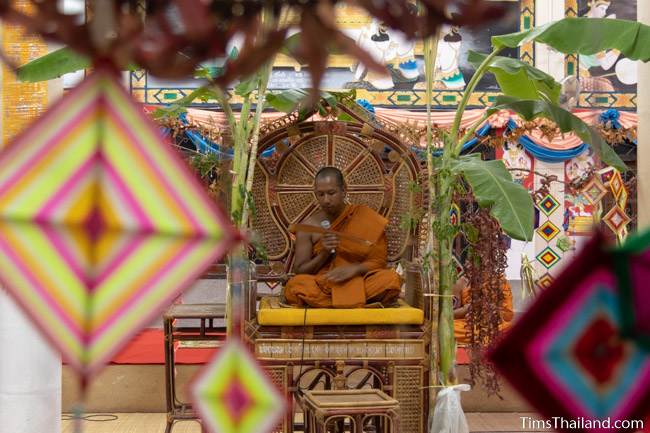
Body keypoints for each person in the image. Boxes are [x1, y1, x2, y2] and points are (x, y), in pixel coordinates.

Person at [283, 167, 401, 308]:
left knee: (390, 279)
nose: (326, 200)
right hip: (324, 284)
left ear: (344, 190)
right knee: (295, 285)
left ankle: (336, 302)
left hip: (359, 280)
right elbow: (300, 270)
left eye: (331, 193)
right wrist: (324, 254)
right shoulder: (308, 226)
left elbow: (379, 262)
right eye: (320, 194)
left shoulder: (364, 216)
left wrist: (354, 269)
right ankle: (358, 301)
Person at [452, 275, 514, 344]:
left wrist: (492, 309)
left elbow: (508, 316)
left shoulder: (500, 280)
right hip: (468, 325)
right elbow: (451, 314)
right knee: (450, 328)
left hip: (493, 325)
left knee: (509, 328)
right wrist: (466, 309)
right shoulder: (461, 282)